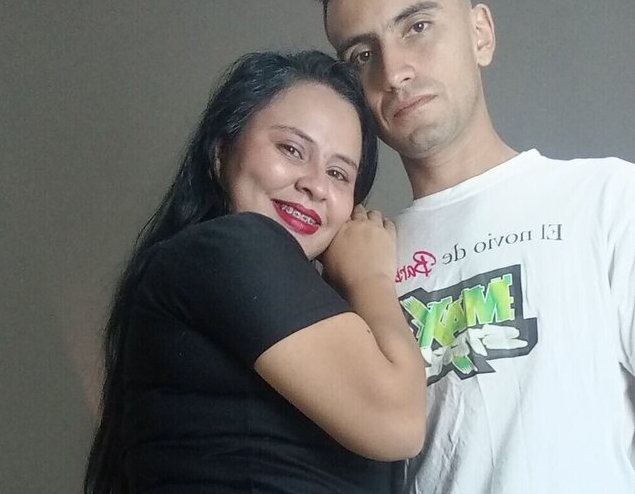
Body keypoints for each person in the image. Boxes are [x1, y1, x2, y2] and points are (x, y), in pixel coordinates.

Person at [311, 0, 635, 492]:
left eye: (417, 27)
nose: (394, 72)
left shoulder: (613, 198)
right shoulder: (358, 263)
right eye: (363, 54)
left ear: (480, 34)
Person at [83, 50, 426, 494]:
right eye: (291, 149)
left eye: (339, 173)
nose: (315, 185)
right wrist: (370, 279)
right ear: (220, 153)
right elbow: (397, 421)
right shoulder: (228, 246)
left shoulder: (218, 276)